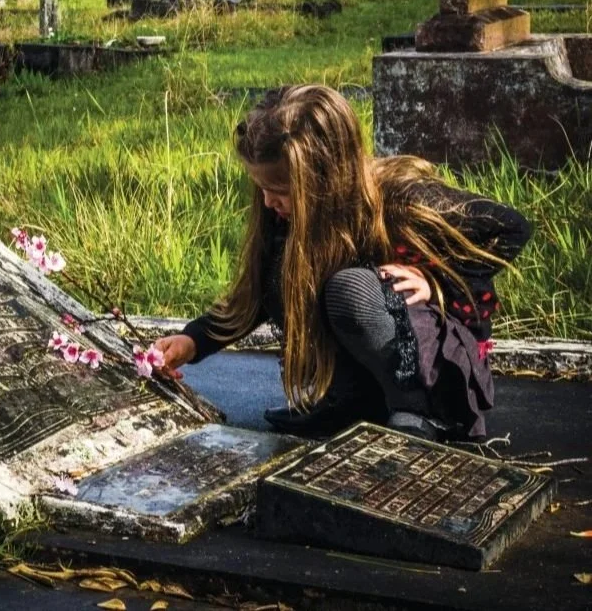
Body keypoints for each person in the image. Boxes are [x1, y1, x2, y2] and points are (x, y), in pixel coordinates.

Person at [154, 85, 532, 442]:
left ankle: (420, 410)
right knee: (283, 270)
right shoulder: (285, 217)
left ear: (325, 179)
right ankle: (353, 402)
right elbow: (253, 297)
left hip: (433, 364)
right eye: (262, 189)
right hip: (377, 349)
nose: (268, 202)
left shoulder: (403, 199)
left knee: (350, 288)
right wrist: (192, 340)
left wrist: (435, 280)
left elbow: (512, 227)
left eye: (281, 192)